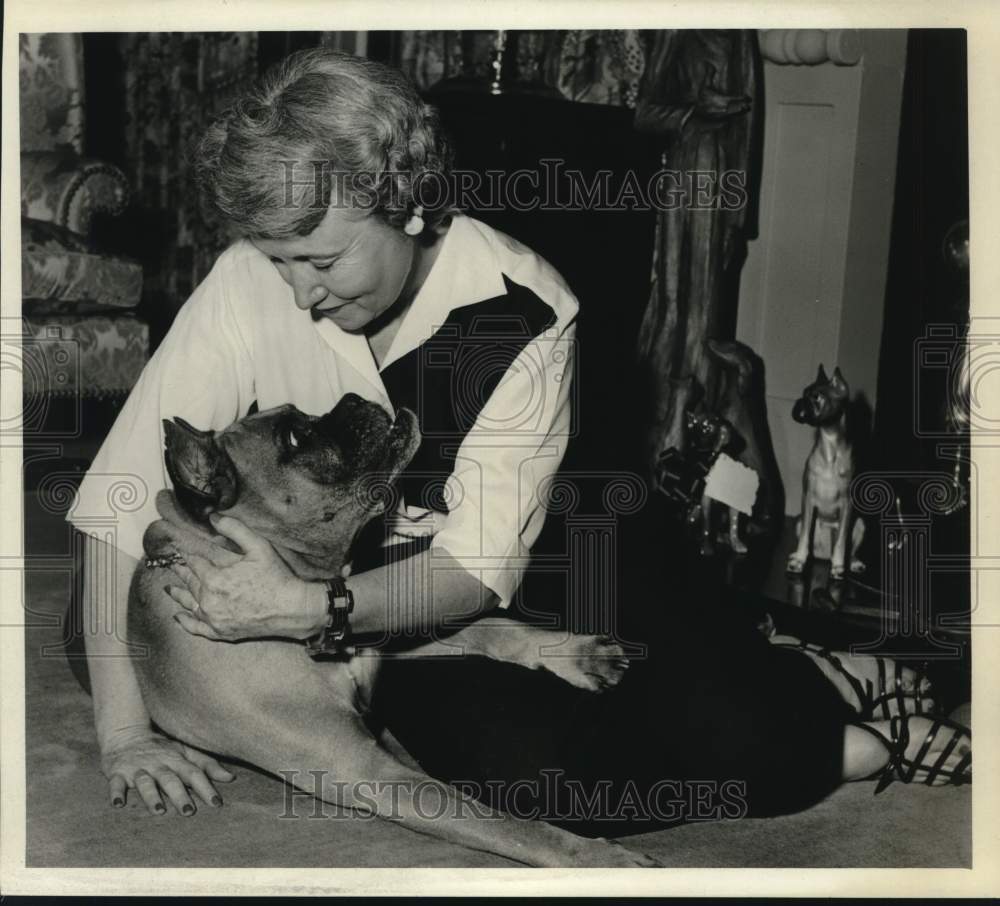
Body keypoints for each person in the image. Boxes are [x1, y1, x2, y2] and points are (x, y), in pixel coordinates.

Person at [69, 47, 969, 825]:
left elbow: (470, 571)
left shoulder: (527, 305)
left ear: (408, 203)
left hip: (512, 556)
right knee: (548, 782)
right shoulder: (245, 282)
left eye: (323, 261)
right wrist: (124, 735)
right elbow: (120, 502)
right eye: (280, 262)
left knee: (732, 719)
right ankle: (827, 732)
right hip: (383, 616)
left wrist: (309, 611)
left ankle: (810, 673)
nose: (299, 292)